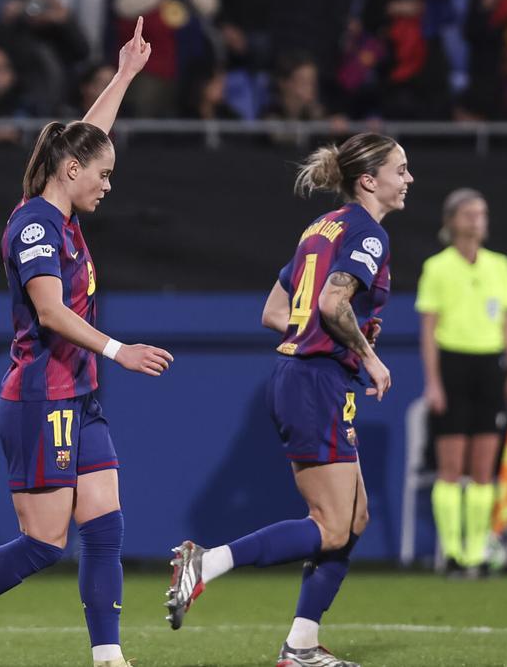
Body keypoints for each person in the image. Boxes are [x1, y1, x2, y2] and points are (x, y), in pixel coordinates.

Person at [0, 19, 173, 667]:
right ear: (71, 172)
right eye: (102, 174)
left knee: (104, 525)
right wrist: (118, 350)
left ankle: (108, 657)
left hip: (79, 396)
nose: (108, 183)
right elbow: (50, 311)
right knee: (45, 542)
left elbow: (86, 140)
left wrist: (124, 74)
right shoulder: (35, 227)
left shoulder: (63, 212)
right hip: (42, 396)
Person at [166, 132, 410, 667]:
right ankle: (207, 563)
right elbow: (332, 302)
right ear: (369, 181)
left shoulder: (322, 227)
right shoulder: (367, 233)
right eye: (400, 169)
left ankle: (301, 644)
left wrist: (326, 340)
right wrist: (368, 356)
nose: (408, 179)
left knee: (354, 519)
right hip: (316, 381)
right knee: (331, 524)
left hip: (303, 375)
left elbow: (275, 311)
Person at [417, 188, 507, 576]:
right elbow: (429, 330)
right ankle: (452, 552)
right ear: (451, 221)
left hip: (489, 367)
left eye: (482, 214)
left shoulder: (500, 264)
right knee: (451, 464)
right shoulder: (437, 267)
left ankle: (477, 552)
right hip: (453, 365)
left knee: (483, 465)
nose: (478, 221)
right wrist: (433, 382)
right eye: (469, 214)